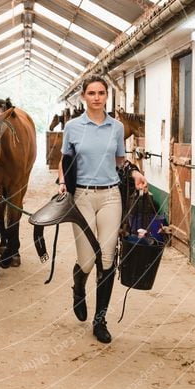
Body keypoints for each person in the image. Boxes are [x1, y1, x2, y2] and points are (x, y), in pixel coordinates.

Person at [58, 76, 148, 343]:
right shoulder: (73, 127)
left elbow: (120, 161)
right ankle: (78, 288)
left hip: (110, 196)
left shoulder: (117, 128)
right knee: (86, 260)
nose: (96, 97)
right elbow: (65, 161)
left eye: (101, 93)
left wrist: (134, 174)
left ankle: (100, 320)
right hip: (82, 197)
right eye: (91, 93)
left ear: (106, 96)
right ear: (83, 97)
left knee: (107, 260)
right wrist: (63, 182)